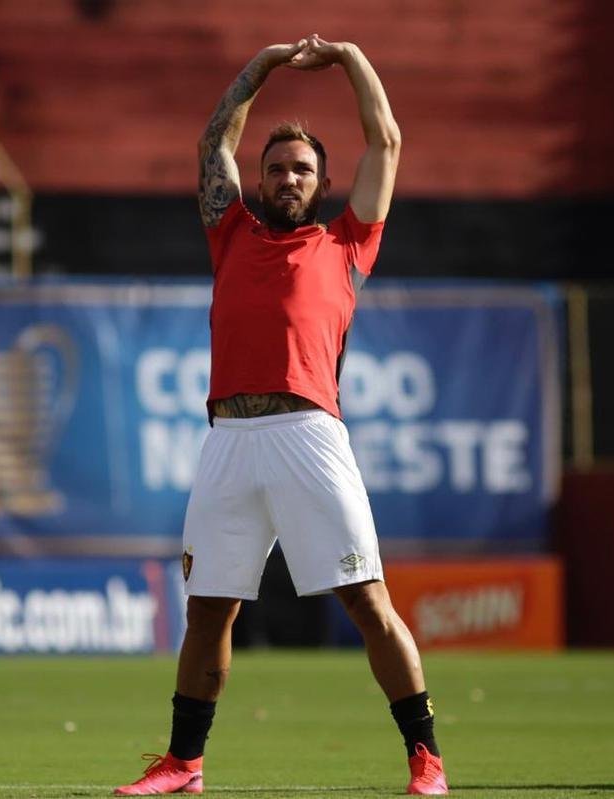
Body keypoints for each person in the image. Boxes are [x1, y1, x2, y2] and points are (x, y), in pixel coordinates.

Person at [115, 35, 448, 796]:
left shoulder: (348, 242)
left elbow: (386, 141)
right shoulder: (231, 232)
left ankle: (426, 758)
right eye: (275, 168)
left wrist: (351, 56)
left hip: (308, 435)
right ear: (259, 181)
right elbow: (214, 143)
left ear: (323, 181)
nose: (287, 178)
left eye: (301, 168)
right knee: (208, 611)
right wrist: (261, 68)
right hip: (229, 439)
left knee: (366, 600)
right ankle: (184, 764)